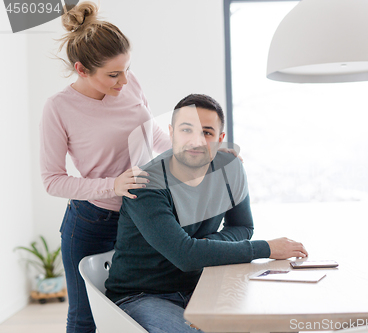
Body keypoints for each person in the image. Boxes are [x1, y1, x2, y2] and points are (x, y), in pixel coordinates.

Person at [39, 3, 237, 332]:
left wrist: (204, 152)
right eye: (114, 75)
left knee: (141, 303)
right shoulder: (59, 108)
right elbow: (52, 180)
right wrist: (111, 185)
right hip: (93, 222)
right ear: (81, 69)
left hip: (143, 215)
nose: (124, 80)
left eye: (127, 69)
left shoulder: (129, 84)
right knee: (85, 317)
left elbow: (152, 134)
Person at [105, 94, 308, 333]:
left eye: (207, 133)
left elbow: (243, 227)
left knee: (274, 323)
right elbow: (185, 256)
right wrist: (267, 248)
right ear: (171, 133)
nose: (196, 141)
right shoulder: (146, 184)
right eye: (186, 130)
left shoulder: (229, 169)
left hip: (203, 287)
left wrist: (202, 245)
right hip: (141, 295)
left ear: (220, 139)